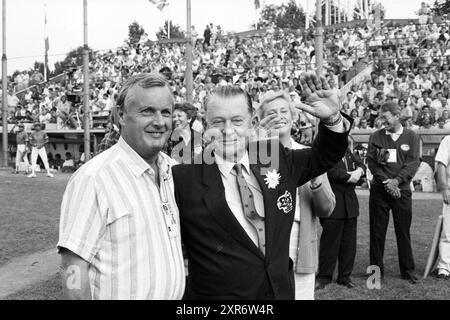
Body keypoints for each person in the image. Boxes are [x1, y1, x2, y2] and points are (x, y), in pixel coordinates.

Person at [173, 73, 352, 300]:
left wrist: (332, 119)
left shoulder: (276, 158)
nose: (228, 130)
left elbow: (325, 155)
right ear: (205, 124)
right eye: (218, 122)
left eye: (237, 121)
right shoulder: (182, 179)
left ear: (251, 122)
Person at [57, 73, 185, 299]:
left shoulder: (173, 171)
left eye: (165, 112)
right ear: (121, 116)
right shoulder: (94, 179)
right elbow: (72, 265)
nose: (159, 121)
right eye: (147, 111)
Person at [256, 90, 336, 300]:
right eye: (272, 112)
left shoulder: (310, 155)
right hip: (262, 247)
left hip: (300, 245)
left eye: (284, 111)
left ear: (293, 117)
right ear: (261, 120)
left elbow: (327, 209)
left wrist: (315, 178)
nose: (279, 116)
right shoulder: (254, 156)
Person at [367, 102, 420, 283]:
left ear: (397, 116)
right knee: (377, 233)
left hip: (402, 192)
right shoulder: (376, 136)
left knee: (403, 232)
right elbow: (373, 163)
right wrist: (387, 182)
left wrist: (396, 182)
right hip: (380, 192)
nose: (382, 121)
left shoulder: (411, 136)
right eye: (381, 117)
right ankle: (375, 273)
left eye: (386, 117)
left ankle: (408, 271)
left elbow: (412, 163)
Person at [316, 146, 366, 290]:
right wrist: (349, 176)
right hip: (333, 203)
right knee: (330, 243)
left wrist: (359, 171)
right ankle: (324, 276)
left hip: (350, 204)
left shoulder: (347, 151)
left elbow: (361, 164)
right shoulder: (325, 150)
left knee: (349, 244)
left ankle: (345, 276)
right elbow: (327, 171)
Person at [434, 136, 450, 279]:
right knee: (448, 232)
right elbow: (441, 165)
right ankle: (444, 267)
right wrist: (444, 188)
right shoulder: (448, 140)